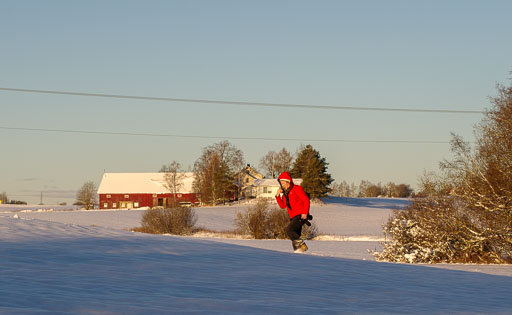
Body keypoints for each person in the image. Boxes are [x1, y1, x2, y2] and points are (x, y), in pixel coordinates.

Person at [275, 171, 311, 253]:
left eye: (283, 183)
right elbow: (282, 205)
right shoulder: (285, 194)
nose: (282, 185)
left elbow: (306, 201)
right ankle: (299, 253)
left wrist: (305, 213)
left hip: (301, 215)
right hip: (293, 217)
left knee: (289, 230)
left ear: (288, 182)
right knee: (295, 236)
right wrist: (277, 196)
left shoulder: (297, 189)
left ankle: (302, 246)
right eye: (281, 183)